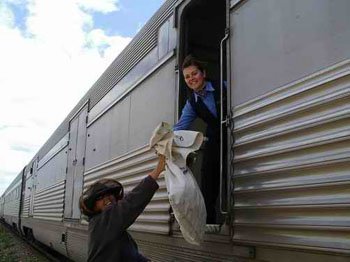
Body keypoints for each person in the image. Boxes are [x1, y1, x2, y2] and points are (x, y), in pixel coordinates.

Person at [80, 155, 166, 262]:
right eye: (100, 197)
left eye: (110, 195)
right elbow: (131, 202)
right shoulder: (100, 223)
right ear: (93, 206)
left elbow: (128, 254)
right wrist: (158, 170)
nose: (108, 199)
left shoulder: (113, 229)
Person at [173, 55, 224, 224]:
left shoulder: (222, 85)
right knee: (208, 177)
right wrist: (163, 138)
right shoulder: (192, 103)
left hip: (233, 130)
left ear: (203, 73)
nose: (191, 79)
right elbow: (179, 127)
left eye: (194, 74)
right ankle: (210, 222)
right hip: (215, 136)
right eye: (187, 77)